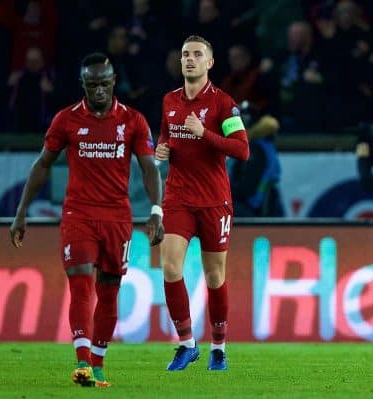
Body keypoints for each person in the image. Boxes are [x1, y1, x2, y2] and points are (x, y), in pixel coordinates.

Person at [9, 52, 164, 387]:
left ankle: (97, 364)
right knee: (80, 283)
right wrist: (21, 212)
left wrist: (156, 209)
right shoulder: (66, 120)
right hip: (78, 214)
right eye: (91, 85)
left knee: (108, 292)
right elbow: (43, 164)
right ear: (83, 85)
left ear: (113, 83)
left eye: (103, 84)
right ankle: (81, 362)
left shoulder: (133, 121)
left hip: (117, 219)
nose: (98, 91)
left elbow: (150, 167)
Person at [155, 35, 249, 372]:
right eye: (185, 55)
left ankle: (219, 348)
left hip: (213, 201)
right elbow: (166, 137)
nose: (190, 60)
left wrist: (204, 134)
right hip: (178, 198)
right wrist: (162, 149)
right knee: (169, 266)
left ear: (210, 63)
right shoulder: (169, 101)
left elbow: (242, 149)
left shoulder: (224, 104)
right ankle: (186, 344)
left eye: (197, 55)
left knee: (214, 275)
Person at [229, 101, 284, 217]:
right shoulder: (262, 145)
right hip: (249, 204)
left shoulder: (255, 150)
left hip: (249, 207)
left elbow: (246, 189)